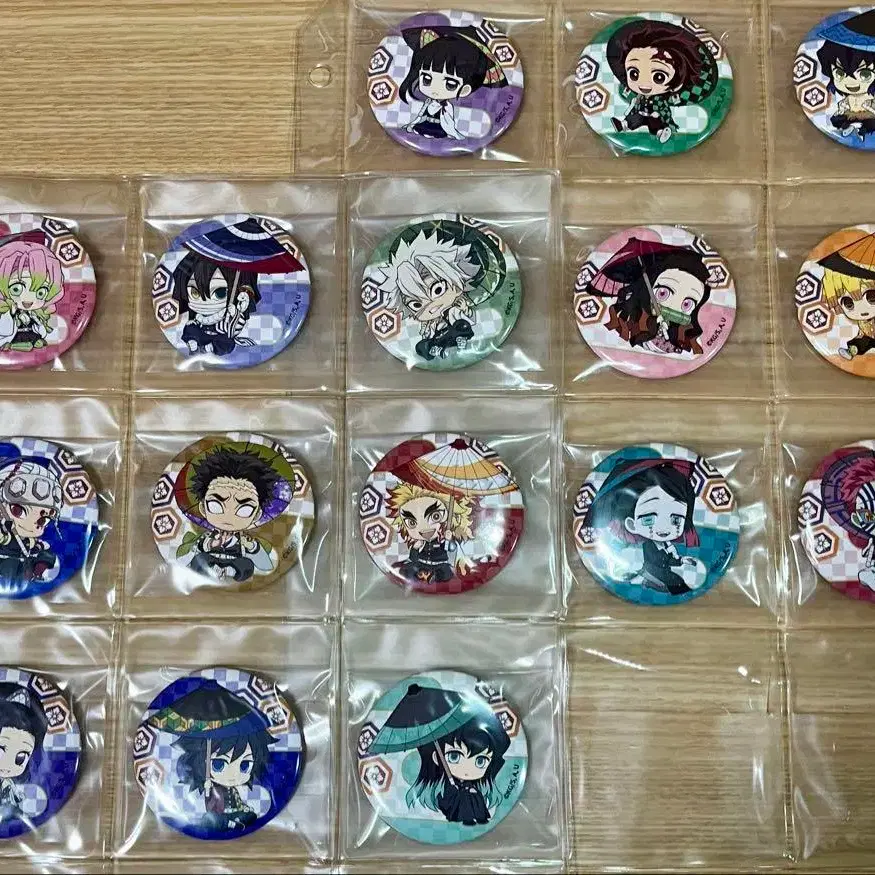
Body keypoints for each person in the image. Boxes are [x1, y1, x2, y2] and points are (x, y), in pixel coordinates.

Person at [606, 18, 718, 144]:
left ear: (677, 83)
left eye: (658, 77)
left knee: (655, 123)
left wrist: (666, 121)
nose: (644, 84)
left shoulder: (660, 100)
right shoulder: (639, 97)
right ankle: (623, 124)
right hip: (641, 115)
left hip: (655, 117)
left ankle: (661, 132)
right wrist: (631, 110)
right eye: (634, 74)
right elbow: (635, 106)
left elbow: (665, 111)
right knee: (636, 119)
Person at [399, 25, 507, 140]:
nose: (435, 89)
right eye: (426, 79)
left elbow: (449, 123)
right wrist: (411, 124)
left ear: (465, 90)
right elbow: (420, 116)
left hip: (439, 131)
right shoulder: (428, 102)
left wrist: (456, 135)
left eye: (450, 85)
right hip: (423, 127)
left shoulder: (447, 107)